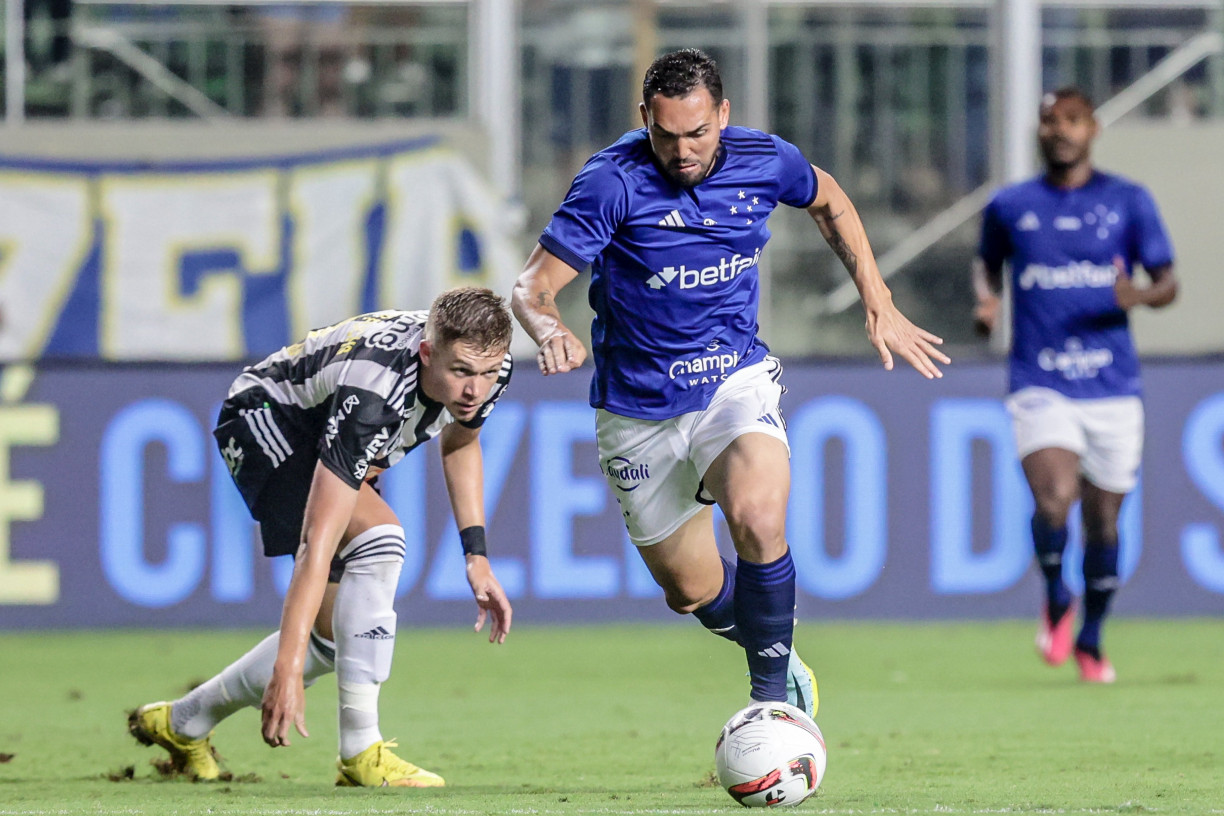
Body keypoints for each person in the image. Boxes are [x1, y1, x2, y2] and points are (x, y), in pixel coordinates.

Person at [512, 48, 948, 721]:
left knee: (756, 515)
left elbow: (829, 199)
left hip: (732, 382)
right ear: (644, 122)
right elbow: (532, 286)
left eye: (696, 133)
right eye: (665, 135)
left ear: (723, 114)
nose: (682, 152)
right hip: (639, 410)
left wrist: (877, 296)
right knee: (689, 591)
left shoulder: (764, 159)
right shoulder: (610, 182)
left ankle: (771, 710)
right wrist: (547, 331)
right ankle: (775, 647)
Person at [128, 287, 515, 785]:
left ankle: (183, 721)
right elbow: (316, 544)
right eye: (461, 372)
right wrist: (286, 669)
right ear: (427, 352)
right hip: (267, 420)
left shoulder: (484, 363)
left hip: (326, 426)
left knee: (335, 638)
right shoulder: (372, 394)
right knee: (380, 540)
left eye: (486, 374)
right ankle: (361, 752)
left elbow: (461, 443)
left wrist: (476, 557)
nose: (474, 390)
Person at [973, 88, 1178, 683]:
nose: (1058, 130)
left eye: (1070, 120)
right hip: (1041, 379)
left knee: (1105, 524)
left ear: (1092, 129)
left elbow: (1168, 282)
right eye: (1047, 121)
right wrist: (987, 300)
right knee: (1054, 498)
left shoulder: (1128, 202)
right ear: (1036, 131)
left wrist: (1137, 294)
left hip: (1113, 385)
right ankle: (1055, 595)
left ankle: (1090, 634)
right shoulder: (1010, 205)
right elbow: (987, 260)